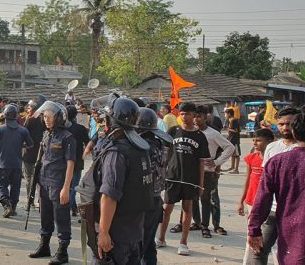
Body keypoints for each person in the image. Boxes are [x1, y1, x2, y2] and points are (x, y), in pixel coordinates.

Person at [82, 96, 153, 264]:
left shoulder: (116, 153)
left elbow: (109, 195)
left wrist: (104, 232)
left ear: (111, 121)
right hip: (134, 231)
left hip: (116, 234)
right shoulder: (140, 149)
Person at [248, 111, 305, 264]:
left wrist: (253, 228)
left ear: (294, 130)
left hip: (292, 233)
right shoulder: (275, 156)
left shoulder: (278, 162)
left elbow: (263, 197)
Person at [156, 102, 211, 256]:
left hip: (190, 179)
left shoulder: (200, 136)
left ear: (194, 115)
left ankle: (183, 243)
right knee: (166, 209)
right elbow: (165, 155)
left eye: (187, 113)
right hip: (173, 177)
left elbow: (201, 161)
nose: (184, 116)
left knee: (188, 210)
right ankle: (160, 238)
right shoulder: (173, 131)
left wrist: (200, 184)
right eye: (181, 113)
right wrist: (162, 174)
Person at [27, 102, 72, 264]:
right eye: (44, 116)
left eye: (49, 117)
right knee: (45, 217)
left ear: (58, 118)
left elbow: (70, 164)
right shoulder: (47, 135)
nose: (46, 120)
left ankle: (63, 252)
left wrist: (66, 188)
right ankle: (44, 246)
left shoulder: (67, 137)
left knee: (61, 219)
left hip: (58, 184)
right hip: (44, 182)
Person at [191, 105, 235, 238]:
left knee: (206, 198)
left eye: (198, 116)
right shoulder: (190, 131)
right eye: (194, 116)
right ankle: (196, 222)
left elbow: (229, 147)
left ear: (205, 117)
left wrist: (216, 163)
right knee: (192, 198)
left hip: (207, 171)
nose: (196, 119)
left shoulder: (213, 133)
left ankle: (206, 225)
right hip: (191, 171)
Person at [136, 107, 172, 265]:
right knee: (149, 243)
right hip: (155, 200)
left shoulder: (144, 148)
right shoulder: (158, 143)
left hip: (144, 202)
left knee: (139, 245)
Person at [0, 104, 34, 219]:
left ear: (5, 116)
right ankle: (13, 207)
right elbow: (30, 144)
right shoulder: (23, 130)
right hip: (17, 164)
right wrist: (21, 145)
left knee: (2, 186)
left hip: (2, 164)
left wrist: (0, 147)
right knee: (16, 187)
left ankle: (6, 205)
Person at [239, 129, 274, 264]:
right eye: (254, 140)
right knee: (251, 234)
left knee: (270, 237)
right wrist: (241, 201)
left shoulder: (274, 160)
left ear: (270, 142)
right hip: (252, 201)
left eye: (259, 140)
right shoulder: (251, 158)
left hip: (269, 203)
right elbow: (247, 180)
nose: (255, 143)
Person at [23, 101, 46, 209]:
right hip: (41, 154)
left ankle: (29, 201)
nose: (28, 110)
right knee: (39, 179)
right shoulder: (44, 122)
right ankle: (41, 201)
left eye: (29, 108)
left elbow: (23, 134)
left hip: (29, 153)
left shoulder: (29, 121)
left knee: (29, 178)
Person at [224, 108, 242, 173]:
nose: (225, 115)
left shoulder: (234, 120)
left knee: (237, 154)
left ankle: (236, 169)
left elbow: (236, 130)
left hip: (235, 140)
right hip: (231, 139)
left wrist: (228, 129)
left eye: (225, 114)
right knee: (233, 154)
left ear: (229, 114)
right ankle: (232, 167)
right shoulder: (230, 120)